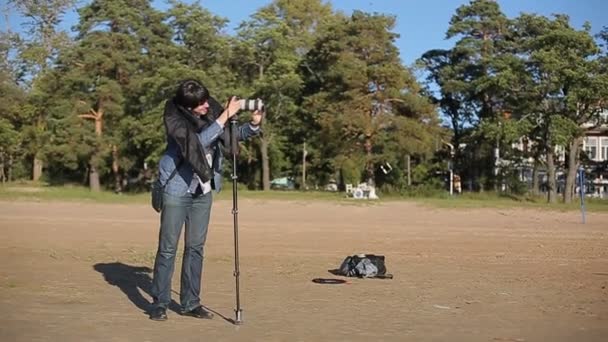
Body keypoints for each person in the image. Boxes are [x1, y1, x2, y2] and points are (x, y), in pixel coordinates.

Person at [149, 79, 262, 321]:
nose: (205, 106)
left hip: (203, 191)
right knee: (168, 249)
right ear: (187, 107)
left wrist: (252, 125)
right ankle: (160, 302)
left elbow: (229, 136)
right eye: (199, 105)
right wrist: (224, 117)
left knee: (195, 248)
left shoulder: (209, 109)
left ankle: (190, 303)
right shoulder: (175, 120)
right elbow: (195, 145)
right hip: (177, 190)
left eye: (205, 101)